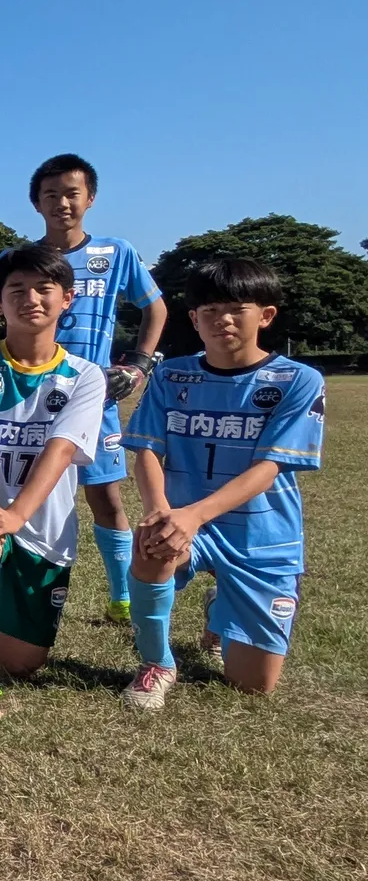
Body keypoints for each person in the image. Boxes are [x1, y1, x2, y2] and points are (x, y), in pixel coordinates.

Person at [0, 155, 167, 621]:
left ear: (90, 198)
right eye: (51, 195)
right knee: (6, 493)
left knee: (106, 499)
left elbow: (155, 308)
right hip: (26, 399)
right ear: (36, 203)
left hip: (94, 396)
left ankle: (122, 597)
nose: (62, 203)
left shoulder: (116, 252)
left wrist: (138, 365)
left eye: (72, 193)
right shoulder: (16, 260)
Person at [119, 258, 325, 712]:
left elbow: (270, 467)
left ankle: (220, 611)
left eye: (236, 309)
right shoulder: (171, 375)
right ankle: (156, 663)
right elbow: (148, 450)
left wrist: (192, 516)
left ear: (265, 316)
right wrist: (159, 512)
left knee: (253, 685)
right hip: (183, 521)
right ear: (194, 319)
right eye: (209, 310)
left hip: (261, 537)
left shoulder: (297, 380)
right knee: (152, 545)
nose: (222, 320)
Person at [0, 245, 106, 719]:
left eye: (43, 289)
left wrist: (15, 515)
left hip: (43, 527)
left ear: (67, 299)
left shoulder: (86, 376)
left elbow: (61, 450)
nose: (30, 298)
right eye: (16, 290)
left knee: (20, 663)